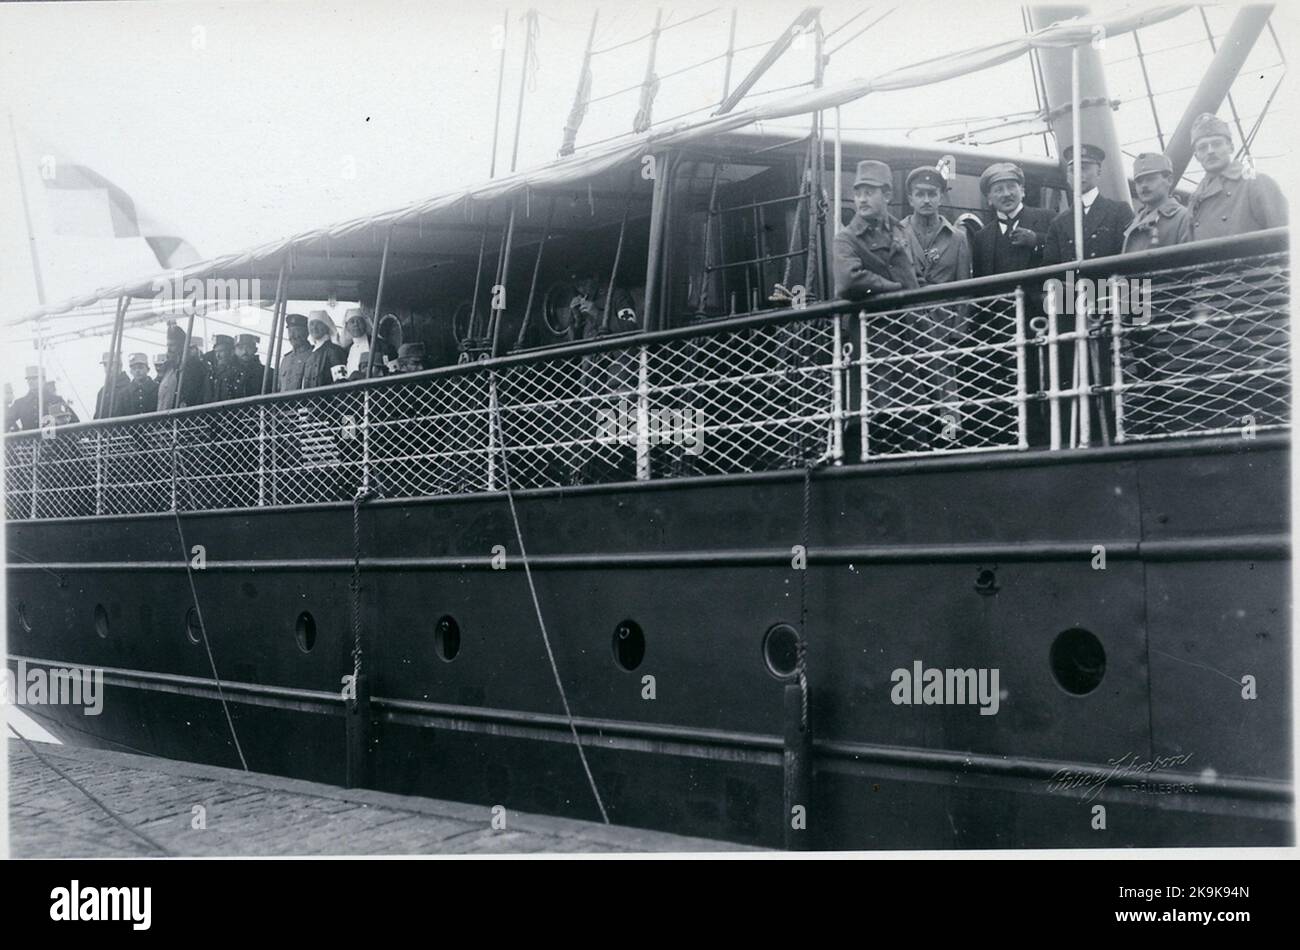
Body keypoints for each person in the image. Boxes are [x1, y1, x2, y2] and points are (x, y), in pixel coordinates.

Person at [1186, 112, 1287, 241]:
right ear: (1196, 156)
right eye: (1202, 147)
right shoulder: (1195, 198)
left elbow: (1284, 238)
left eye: (1217, 144)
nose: (1210, 151)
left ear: (1231, 147)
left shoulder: (1256, 182)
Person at [833, 159, 918, 299]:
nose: (862, 200)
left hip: (909, 319)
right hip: (869, 320)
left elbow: (917, 278)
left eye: (868, 193)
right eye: (858, 194)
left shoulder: (901, 231)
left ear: (887, 196)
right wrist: (896, 288)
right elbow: (848, 281)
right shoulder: (846, 239)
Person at [1042, 144, 1134, 264]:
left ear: (1099, 172)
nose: (1078, 175)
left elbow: (1129, 256)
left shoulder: (1119, 211)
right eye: (1072, 170)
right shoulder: (1058, 223)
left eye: (1084, 168)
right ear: (1067, 177)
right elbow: (1050, 267)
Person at [971, 163, 1054, 277]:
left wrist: (1036, 241)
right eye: (999, 190)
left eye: (1011, 187)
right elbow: (978, 285)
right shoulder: (982, 238)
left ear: (1022, 191)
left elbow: (1065, 255)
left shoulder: (1047, 218)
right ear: (989, 199)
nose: (1006, 194)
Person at [900, 165, 971, 286]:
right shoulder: (897, 233)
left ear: (941, 198)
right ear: (911, 200)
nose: (926, 200)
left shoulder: (958, 239)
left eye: (932, 194)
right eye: (920, 194)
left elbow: (964, 291)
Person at [1122, 152, 1192, 254]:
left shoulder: (1184, 218)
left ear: (1169, 180)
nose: (1144, 185)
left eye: (1150, 179)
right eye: (1139, 181)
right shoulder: (1134, 222)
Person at [157, 325, 210, 410]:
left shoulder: (194, 367)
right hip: (165, 416)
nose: (169, 349)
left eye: (172, 345)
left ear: (182, 346)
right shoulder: (168, 368)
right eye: (168, 345)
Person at [302, 310, 347, 387]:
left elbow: (341, 381)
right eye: (312, 324)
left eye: (318, 323)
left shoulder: (334, 350)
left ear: (326, 326)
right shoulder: (310, 355)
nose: (314, 327)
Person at [277, 313, 313, 392]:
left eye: (296, 330)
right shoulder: (285, 360)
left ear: (307, 332)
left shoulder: (314, 355)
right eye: (290, 331)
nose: (292, 335)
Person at [94, 351, 130, 419]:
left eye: (111, 364)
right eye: (105, 365)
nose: (108, 368)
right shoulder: (102, 392)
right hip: (104, 428)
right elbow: (97, 416)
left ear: (120, 366)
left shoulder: (129, 388)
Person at [232, 333, 268, 398]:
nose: (244, 351)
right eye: (240, 348)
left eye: (249, 347)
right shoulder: (228, 373)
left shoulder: (267, 373)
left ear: (255, 349)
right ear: (234, 350)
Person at [7, 366, 43, 431]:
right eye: (29, 379)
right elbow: (6, 420)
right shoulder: (20, 403)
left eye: (34, 378)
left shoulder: (55, 400)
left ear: (42, 379)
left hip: (52, 440)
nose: (31, 382)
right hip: (30, 440)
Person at [342, 310, 373, 379]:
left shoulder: (379, 345)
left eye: (359, 321)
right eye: (352, 321)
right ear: (347, 327)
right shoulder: (346, 351)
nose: (355, 324)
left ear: (365, 324)